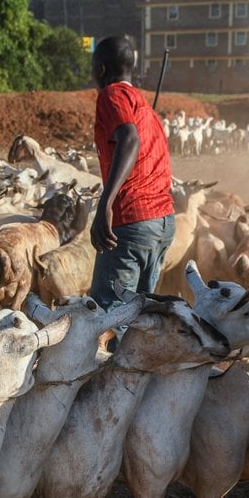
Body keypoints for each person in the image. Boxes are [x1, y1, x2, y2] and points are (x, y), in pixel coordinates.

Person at [88, 35, 174, 311]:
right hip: (161, 223)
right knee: (137, 317)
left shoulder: (111, 95)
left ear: (101, 68)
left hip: (131, 221)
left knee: (107, 318)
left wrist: (106, 203)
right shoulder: (145, 107)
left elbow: (129, 139)